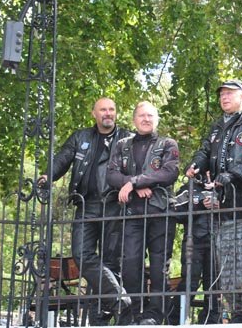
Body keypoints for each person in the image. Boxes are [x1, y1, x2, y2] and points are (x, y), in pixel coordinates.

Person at [39, 97, 133, 325]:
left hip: (115, 205)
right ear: (94, 113)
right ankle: (121, 302)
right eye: (103, 110)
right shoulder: (80, 137)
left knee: (110, 262)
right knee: (81, 254)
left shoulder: (127, 138)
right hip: (86, 204)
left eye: (111, 109)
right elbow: (62, 158)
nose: (108, 113)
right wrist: (48, 175)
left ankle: (99, 318)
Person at [186, 79, 242, 323]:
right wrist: (196, 164)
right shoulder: (217, 126)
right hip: (221, 200)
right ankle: (223, 312)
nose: (224, 97)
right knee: (224, 257)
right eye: (222, 94)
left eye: (230, 93)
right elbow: (204, 150)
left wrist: (232, 174)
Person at [107, 101, 180, 325]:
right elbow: (111, 175)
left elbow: (169, 173)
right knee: (130, 264)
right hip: (132, 213)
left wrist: (134, 182)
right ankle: (135, 313)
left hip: (160, 212)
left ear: (157, 119)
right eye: (141, 115)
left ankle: (155, 316)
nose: (146, 119)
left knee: (159, 267)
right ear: (134, 120)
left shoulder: (168, 144)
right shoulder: (122, 145)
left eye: (150, 115)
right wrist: (135, 185)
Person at [168, 177, 221, 325]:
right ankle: (175, 320)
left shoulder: (222, 188)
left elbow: (235, 209)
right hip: (194, 241)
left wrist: (220, 206)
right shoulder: (188, 188)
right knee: (190, 282)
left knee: (214, 283)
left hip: (217, 239)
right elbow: (175, 212)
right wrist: (199, 205)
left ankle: (211, 321)